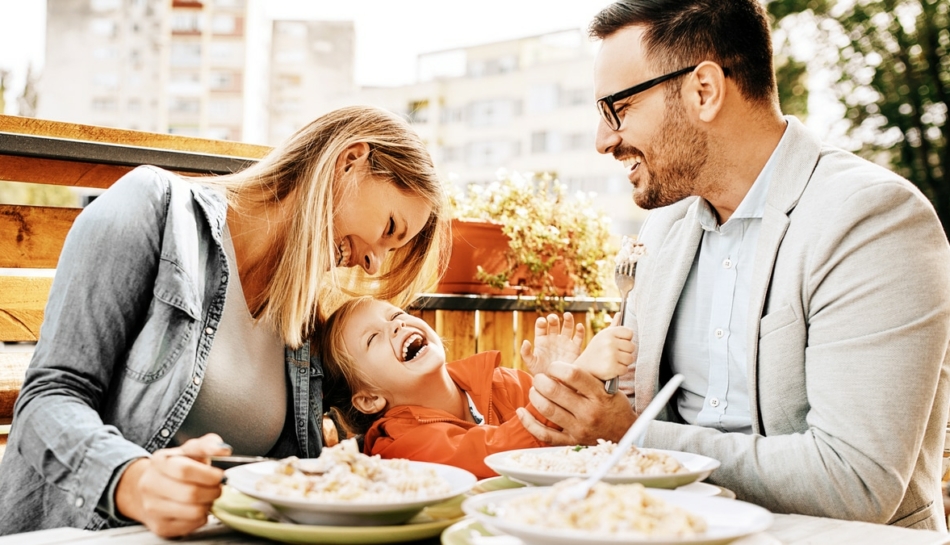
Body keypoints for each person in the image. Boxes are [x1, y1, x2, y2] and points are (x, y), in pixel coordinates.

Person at [517, 0, 950, 530]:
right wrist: (579, 391)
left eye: (619, 109)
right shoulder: (663, 229)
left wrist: (630, 435)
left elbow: (854, 482)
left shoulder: (872, 220)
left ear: (704, 90)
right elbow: (637, 403)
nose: (604, 140)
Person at [0, 105, 451, 538]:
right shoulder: (154, 209)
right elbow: (48, 398)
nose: (372, 265)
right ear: (350, 160)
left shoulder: (300, 319)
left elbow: (395, 406)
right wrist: (131, 481)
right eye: (390, 229)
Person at [318, 296, 635, 478]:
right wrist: (570, 378)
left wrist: (557, 379)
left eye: (396, 315)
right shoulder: (399, 444)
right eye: (373, 338)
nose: (397, 325)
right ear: (370, 399)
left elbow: (580, 436)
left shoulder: (506, 382)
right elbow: (492, 453)